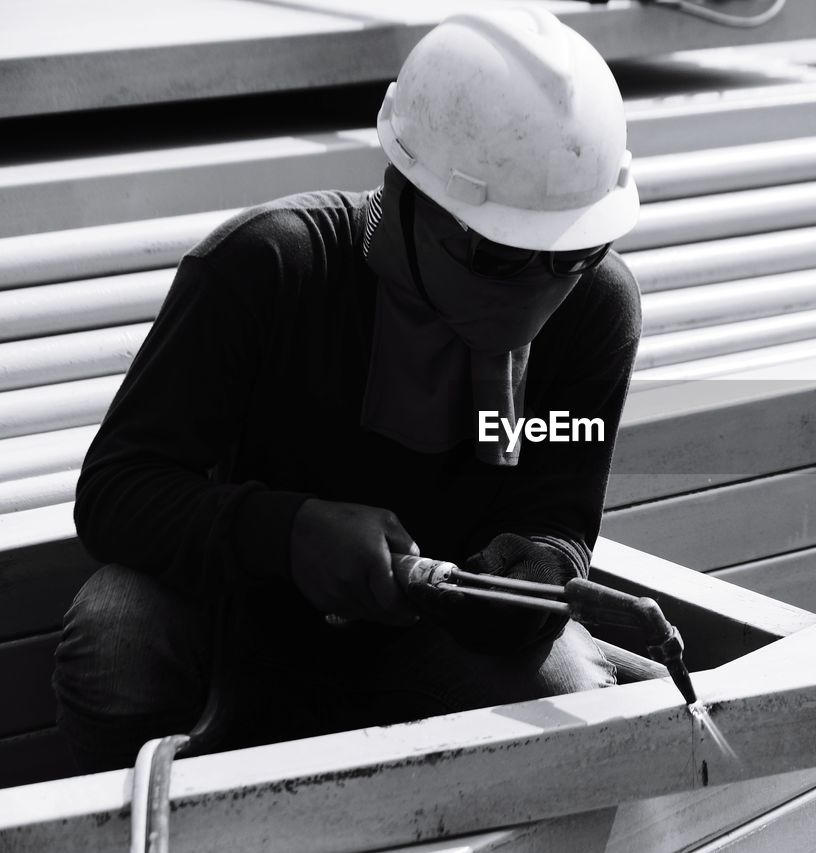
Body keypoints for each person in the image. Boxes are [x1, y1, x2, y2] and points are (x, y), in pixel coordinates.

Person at [51, 8, 642, 772]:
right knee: (117, 634)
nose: (539, 287)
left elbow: (559, 512)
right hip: (244, 625)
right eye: (498, 256)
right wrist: (289, 531)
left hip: (433, 646)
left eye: (570, 254)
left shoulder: (593, 310)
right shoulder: (271, 269)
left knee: (572, 688)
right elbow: (116, 491)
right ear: (408, 194)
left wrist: (540, 569)